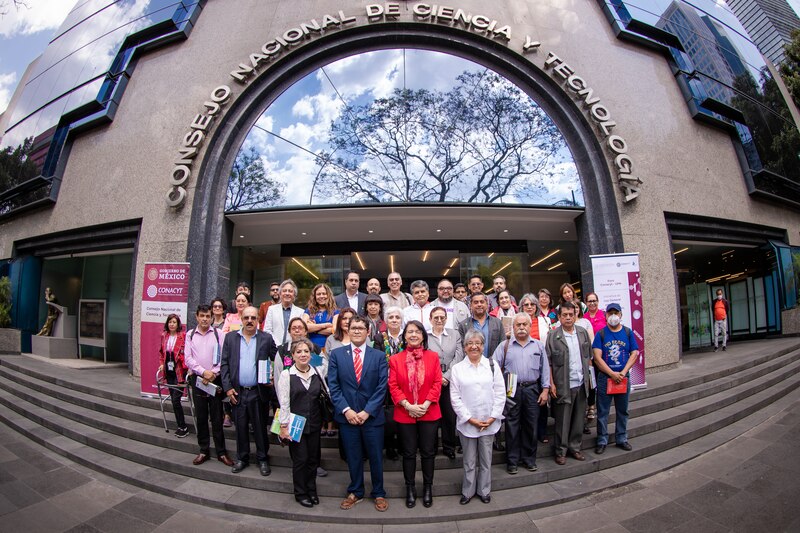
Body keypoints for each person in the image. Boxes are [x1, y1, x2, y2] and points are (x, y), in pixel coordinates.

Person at [327, 315, 390, 512]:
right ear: (348, 330)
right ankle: (356, 491)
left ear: (367, 331)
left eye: (360, 328)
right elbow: (333, 386)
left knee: (375, 457)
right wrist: (346, 410)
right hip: (347, 418)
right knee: (353, 456)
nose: (356, 331)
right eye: (353, 328)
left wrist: (366, 412)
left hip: (371, 417)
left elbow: (382, 388)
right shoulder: (337, 355)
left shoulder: (379, 356)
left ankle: (378, 492)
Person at [389, 320, 442, 508]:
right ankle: (410, 488)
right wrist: (408, 405)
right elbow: (393, 386)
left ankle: (428, 488)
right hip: (405, 413)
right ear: (404, 336)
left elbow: (437, 382)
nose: (413, 335)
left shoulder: (433, 356)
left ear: (423, 336)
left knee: (428, 453)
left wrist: (426, 404)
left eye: (417, 332)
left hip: (429, 411)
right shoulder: (395, 359)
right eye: (410, 331)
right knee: (409, 453)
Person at [220, 306, 279, 476]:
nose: (250, 321)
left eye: (253, 318)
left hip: (258, 391)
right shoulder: (231, 338)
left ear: (258, 321)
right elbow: (224, 364)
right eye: (246, 318)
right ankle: (242, 458)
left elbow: (278, 359)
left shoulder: (266, 339)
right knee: (240, 427)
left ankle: (262, 459)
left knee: (260, 427)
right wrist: (228, 388)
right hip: (237, 392)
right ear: (242, 319)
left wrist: (275, 376)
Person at [450, 330, 505, 505]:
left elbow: (500, 392)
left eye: (478, 343)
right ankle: (467, 491)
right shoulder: (458, 369)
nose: (474, 346)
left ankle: (484, 490)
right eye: (470, 343)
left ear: (483, 346)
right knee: (469, 461)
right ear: (465, 347)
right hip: (468, 423)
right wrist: (469, 418)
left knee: (486, 460)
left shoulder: (492, 365)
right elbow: (455, 398)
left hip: (488, 421)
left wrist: (492, 417)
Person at [493, 313, 550, 474]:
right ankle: (512, 461)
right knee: (512, 426)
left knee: (531, 425)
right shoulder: (504, 346)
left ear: (530, 327)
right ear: (513, 326)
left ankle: (529, 459)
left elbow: (545, 368)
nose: (521, 327)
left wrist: (545, 390)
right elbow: (493, 368)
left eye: (525, 324)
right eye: (518, 324)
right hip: (512, 389)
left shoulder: (538, 346)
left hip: (532, 389)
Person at [277, 338, 326, 507]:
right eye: (299, 352)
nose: (303, 354)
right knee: (301, 460)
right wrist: (283, 426)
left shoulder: (317, 372)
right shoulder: (286, 375)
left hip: (314, 422)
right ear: (293, 355)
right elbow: (284, 402)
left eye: (306, 351)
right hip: (295, 424)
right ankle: (301, 492)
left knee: (313, 459)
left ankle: (312, 490)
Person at [183, 305, 234, 467]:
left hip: (215, 381)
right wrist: (203, 372)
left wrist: (213, 373)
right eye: (202, 316)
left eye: (208, 316)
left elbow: (224, 357)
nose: (205, 319)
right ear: (197, 317)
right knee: (201, 417)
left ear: (212, 318)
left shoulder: (219, 335)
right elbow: (188, 359)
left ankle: (221, 452)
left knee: (217, 418)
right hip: (198, 381)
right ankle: (203, 450)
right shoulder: (190, 335)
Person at [546, 301, 593, 465]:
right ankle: (561, 451)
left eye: (570, 315)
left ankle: (575, 448)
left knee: (579, 419)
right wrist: (551, 383)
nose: (568, 318)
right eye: (564, 315)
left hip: (581, 383)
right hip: (562, 385)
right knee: (562, 421)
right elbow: (549, 363)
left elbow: (588, 358)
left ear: (576, 315)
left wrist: (589, 381)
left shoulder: (582, 333)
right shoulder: (553, 336)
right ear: (559, 317)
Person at [592, 303, 640, 454]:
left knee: (622, 410)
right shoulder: (601, 334)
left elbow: (635, 353)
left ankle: (621, 438)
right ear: (605, 315)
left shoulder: (627, 332)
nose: (613, 316)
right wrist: (611, 373)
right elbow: (597, 357)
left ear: (620, 315)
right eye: (610, 313)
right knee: (603, 411)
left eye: (616, 312)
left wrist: (623, 372)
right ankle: (602, 440)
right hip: (605, 378)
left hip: (622, 377)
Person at [427, 306, 463, 459]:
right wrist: (437, 377)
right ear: (430, 319)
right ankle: (432, 447)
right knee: (432, 415)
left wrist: (446, 376)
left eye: (442, 317)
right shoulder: (425, 336)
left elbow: (459, 355)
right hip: (431, 381)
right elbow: (424, 357)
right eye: (436, 317)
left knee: (449, 415)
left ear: (446, 319)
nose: (439, 320)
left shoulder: (454, 334)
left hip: (450, 380)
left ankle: (449, 446)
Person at [519, 292, 553, 443]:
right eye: (526, 304)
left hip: (541, 365)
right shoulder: (517, 322)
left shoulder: (544, 321)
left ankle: (542, 432)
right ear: (521, 307)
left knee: (542, 401)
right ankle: (526, 433)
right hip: (523, 367)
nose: (529, 307)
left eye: (532, 304)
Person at [380, 306, 405, 460]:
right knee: (389, 417)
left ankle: (403, 446)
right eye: (391, 317)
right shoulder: (379, 338)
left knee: (404, 414)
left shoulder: (408, 337)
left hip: (405, 383)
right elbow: (377, 361)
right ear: (386, 321)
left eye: (397, 317)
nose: (394, 320)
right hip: (386, 382)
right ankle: (389, 447)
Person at [158, 313, 189, 438]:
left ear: (178, 324)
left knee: (176, 400)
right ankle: (180, 425)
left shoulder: (183, 336)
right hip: (169, 372)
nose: (172, 324)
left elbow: (187, 354)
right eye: (170, 322)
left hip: (179, 373)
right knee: (173, 400)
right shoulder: (164, 336)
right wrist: (161, 364)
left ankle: (183, 427)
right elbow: (160, 352)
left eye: (174, 322)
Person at [457, 292, 504, 360]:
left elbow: (502, 345)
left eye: (482, 302)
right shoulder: (463, 325)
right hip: (471, 365)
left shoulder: (497, 323)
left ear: (487, 304)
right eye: (476, 302)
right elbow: (462, 348)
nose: (479, 304)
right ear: (471, 305)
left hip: (493, 365)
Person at [264, 279, 305, 346]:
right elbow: (267, 330)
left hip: (293, 349)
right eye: (284, 291)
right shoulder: (272, 309)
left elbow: (301, 332)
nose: (287, 293)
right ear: (280, 294)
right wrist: (278, 345)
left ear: (294, 294)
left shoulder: (301, 312)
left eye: (290, 291)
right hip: (274, 348)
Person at [303, 283, 338, 351]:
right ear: (315, 296)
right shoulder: (308, 311)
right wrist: (325, 325)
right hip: (312, 349)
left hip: (330, 349)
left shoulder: (335, 312)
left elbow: (334, 330)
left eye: (324, 293)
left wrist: (314, 328)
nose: (321, 296)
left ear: (328, 295)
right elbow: (304, 327)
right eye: (318, 294)